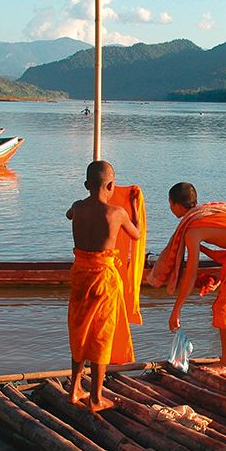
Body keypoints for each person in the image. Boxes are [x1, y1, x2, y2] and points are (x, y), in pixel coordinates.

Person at [149, 182, 226, 375]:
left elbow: (190, 274)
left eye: (169, 203)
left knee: (225, 306)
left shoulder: (192, 229)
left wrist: (176, 310)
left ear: (174, 204)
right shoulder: (204, 213)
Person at [66, 161, 142, 412]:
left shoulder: (77, 208)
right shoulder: (117, 212)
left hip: (79, 275)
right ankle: (96, 398)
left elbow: (69, 214)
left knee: (79, 331)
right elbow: (137, 234)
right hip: (103, 279)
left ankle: (75, 388)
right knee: (101, 334)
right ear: (111, 185)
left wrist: (89, 198)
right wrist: (132, 205)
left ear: (86, 185)